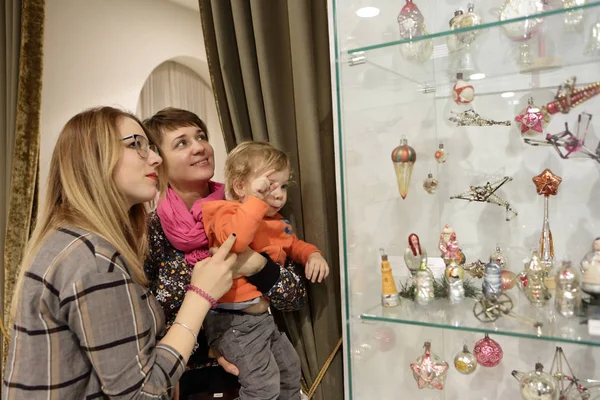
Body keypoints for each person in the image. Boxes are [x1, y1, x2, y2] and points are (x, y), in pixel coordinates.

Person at [3, 107, 239, 399]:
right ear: (94, 157)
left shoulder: (77, 242)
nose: (155, 158)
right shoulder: (93, 259)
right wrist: (200, 296)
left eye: (150, 146)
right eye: (135, 144)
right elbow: (142, 394)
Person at [143, 108, 308, 399]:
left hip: (257, 363)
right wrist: (212, 342)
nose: (200, 147)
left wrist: (258, 266)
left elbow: (295, 296)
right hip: (183, 379)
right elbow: (145, 316)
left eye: (201, 136)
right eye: (182, 143)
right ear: (158, 161)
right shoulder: (150, 228)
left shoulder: (251, 205)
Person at [200, 141, 330, 399]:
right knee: (262, 387)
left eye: (283, 186)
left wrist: (313, 254)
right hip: (233, 321)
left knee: (290, 372)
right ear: (239, 187)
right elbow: (236, 242)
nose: (279, 194)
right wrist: (255, 202)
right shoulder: (227, 211)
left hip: (262, 318)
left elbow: (294, 245)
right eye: (268, 186)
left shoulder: (276, 223)